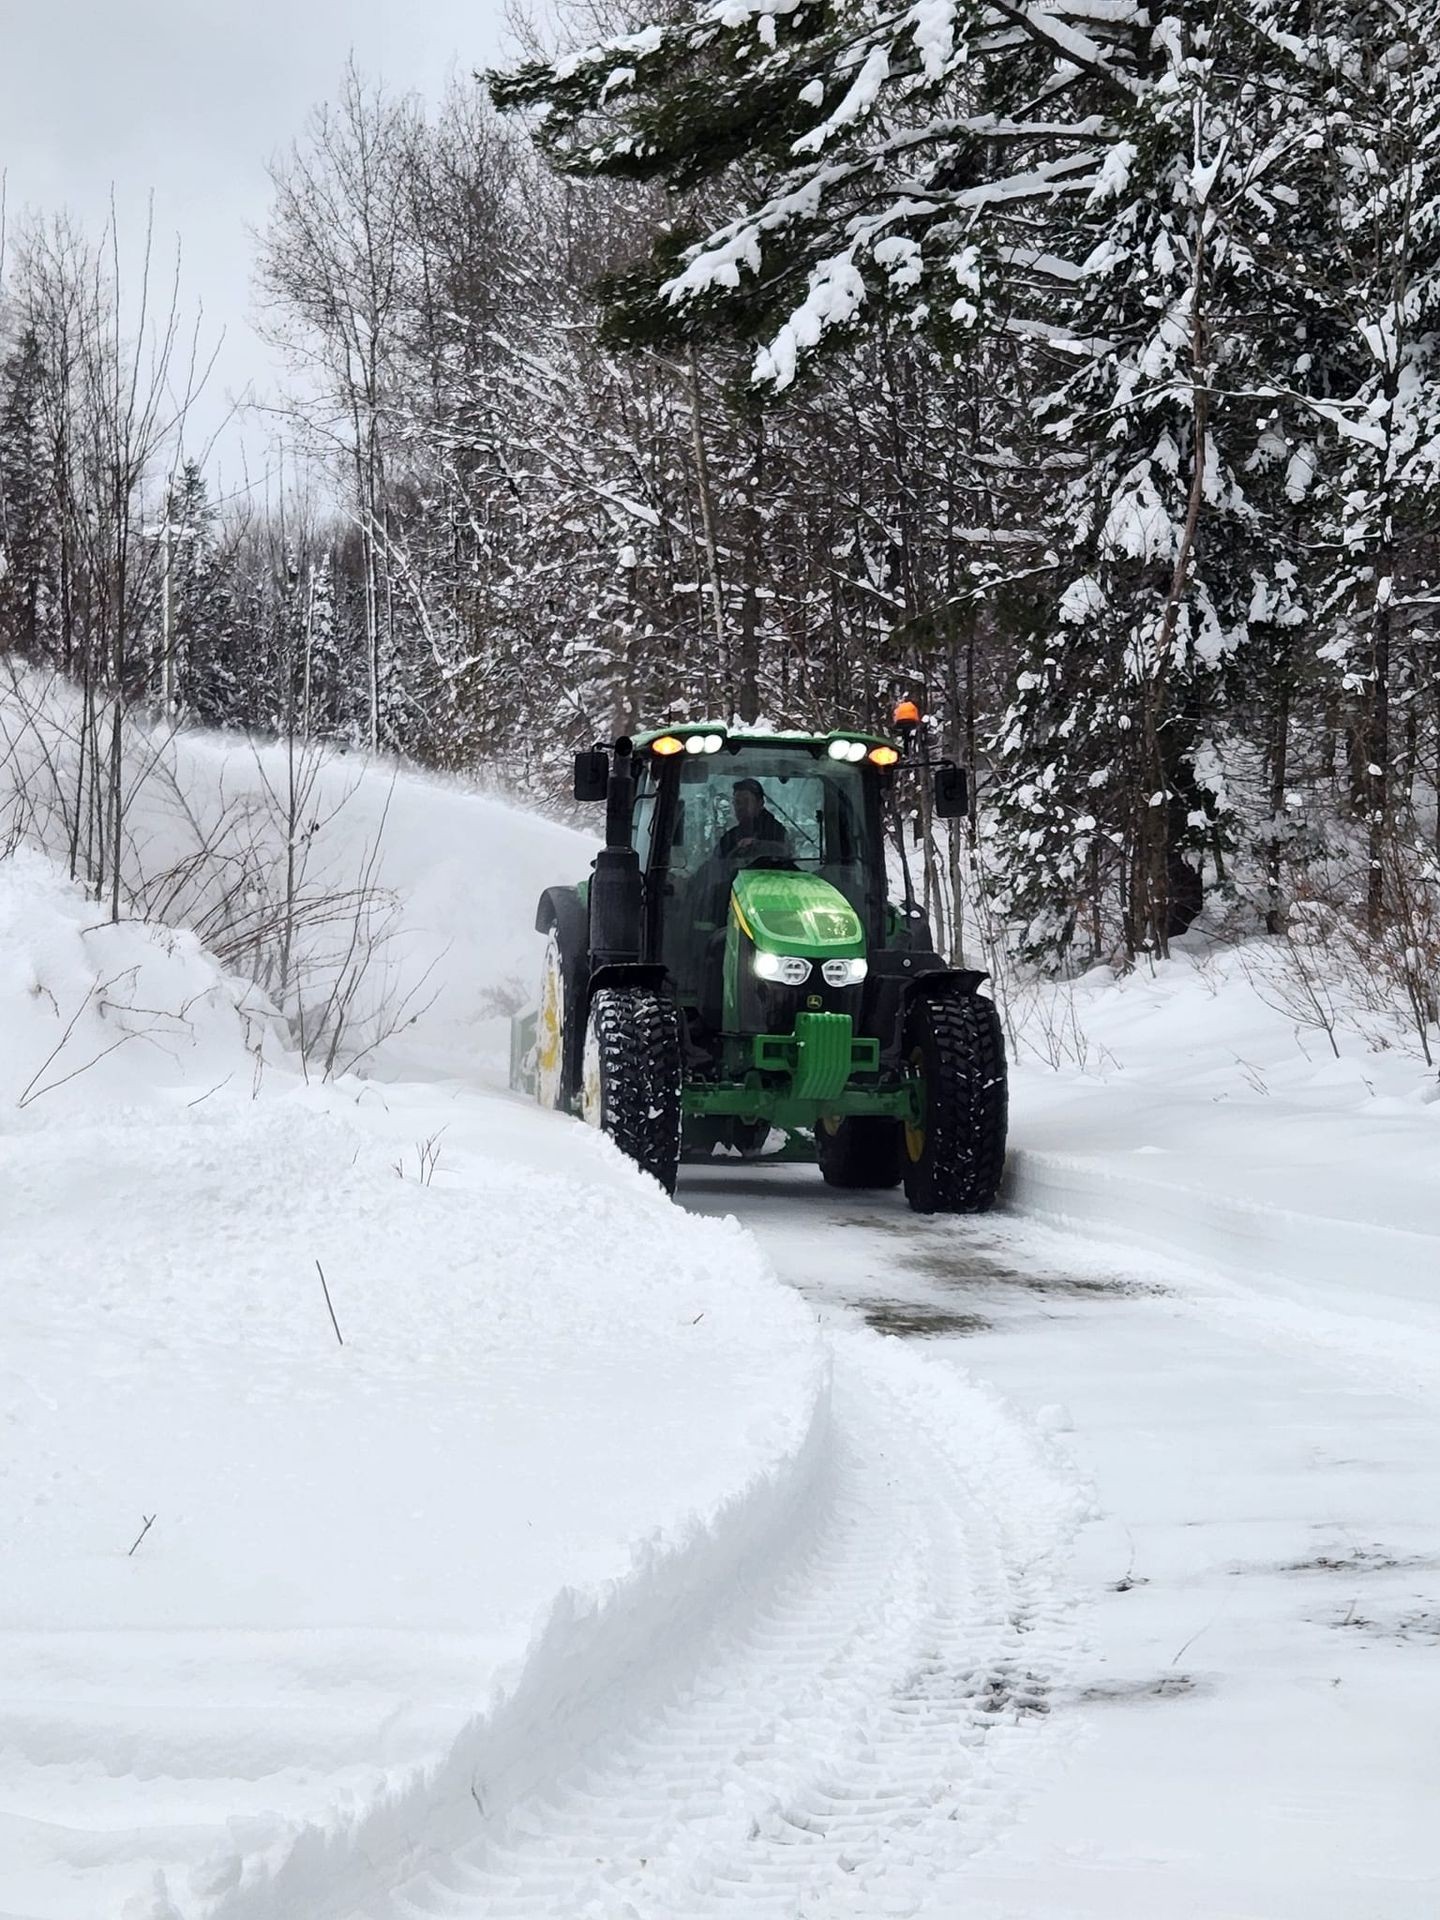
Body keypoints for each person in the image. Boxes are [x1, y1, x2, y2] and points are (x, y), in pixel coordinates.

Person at [717, 778, 789, 863]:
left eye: (746, 801)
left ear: (760, 803)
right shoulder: (729, 838)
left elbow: (786, 854)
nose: (740, 807)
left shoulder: (776, 832)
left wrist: (757, 846)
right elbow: (716, 865)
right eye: (737, 802)